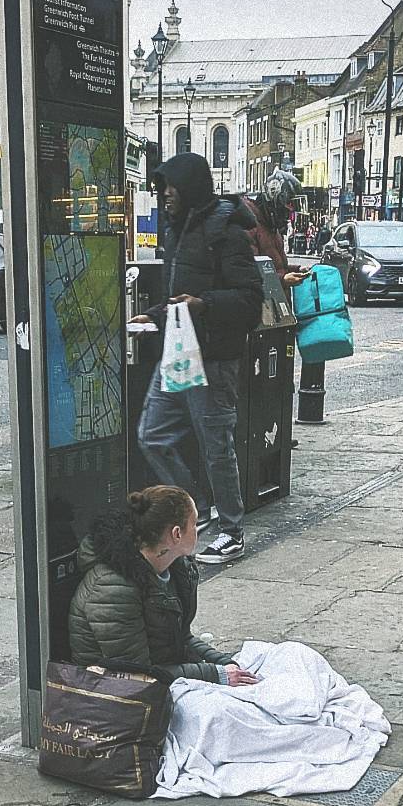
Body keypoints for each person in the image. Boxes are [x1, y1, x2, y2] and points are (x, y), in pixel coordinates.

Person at [132, 152, 263, 564]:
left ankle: (232, 530)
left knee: (215, 447)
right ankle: (196, 508)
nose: (164, 194)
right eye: (161, 187)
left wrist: (204, 304)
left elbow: (250, 300)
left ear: (189, 187)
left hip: (214, 358)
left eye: (170, 186)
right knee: (151, 434)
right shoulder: (178, 229)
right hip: (179, 352)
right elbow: (178, 296)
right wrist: (153, 315)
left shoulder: (225, 231)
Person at [67, 486, 259, 686]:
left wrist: (225, 663)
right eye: (194, 524)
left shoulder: (174, 567)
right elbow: (135, 673)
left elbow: (181, 639)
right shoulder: (112, 588)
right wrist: (215, 674)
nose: (198, 531)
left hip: (160, 675)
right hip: (114, 694)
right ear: (176, 534)